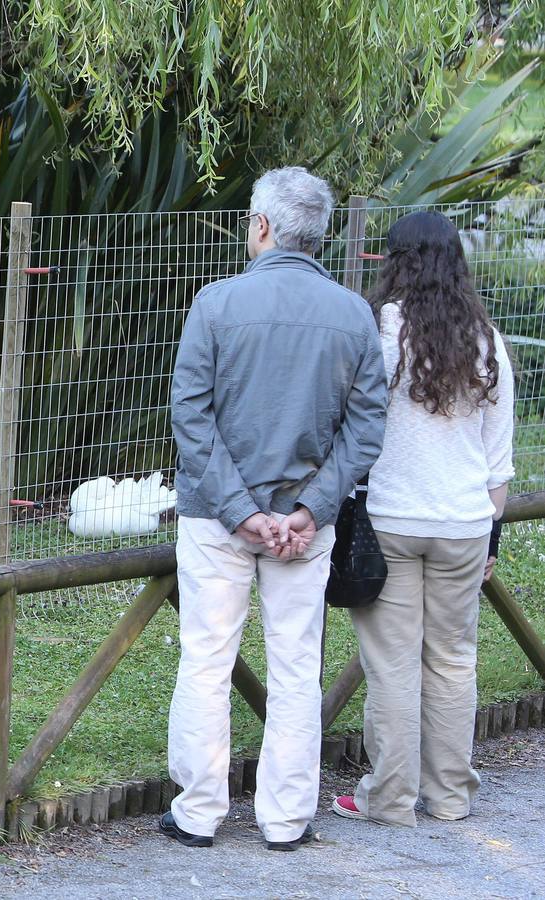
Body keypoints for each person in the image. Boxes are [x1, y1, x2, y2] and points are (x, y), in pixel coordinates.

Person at [162, 167, 388, 852]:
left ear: (260, 226)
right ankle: (284, 817)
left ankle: (198, 811)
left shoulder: (215, 304)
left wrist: (238, 510)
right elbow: (367, 424)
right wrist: (311, 508)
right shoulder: (351, 314)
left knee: (205, 658)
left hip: (215, 518)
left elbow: (190, 416)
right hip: (302, 524)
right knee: (296, 668)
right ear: (317, 235)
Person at [332, 211, 514, 826]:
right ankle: (451, 794)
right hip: (464, 526)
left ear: (395, 261)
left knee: (392, 663)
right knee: (454, 660)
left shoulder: (378, 334)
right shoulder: (486, 342)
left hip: (391, 521)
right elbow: (499, 463)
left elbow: (350, 427)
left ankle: (390, 798)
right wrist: (491, 536)